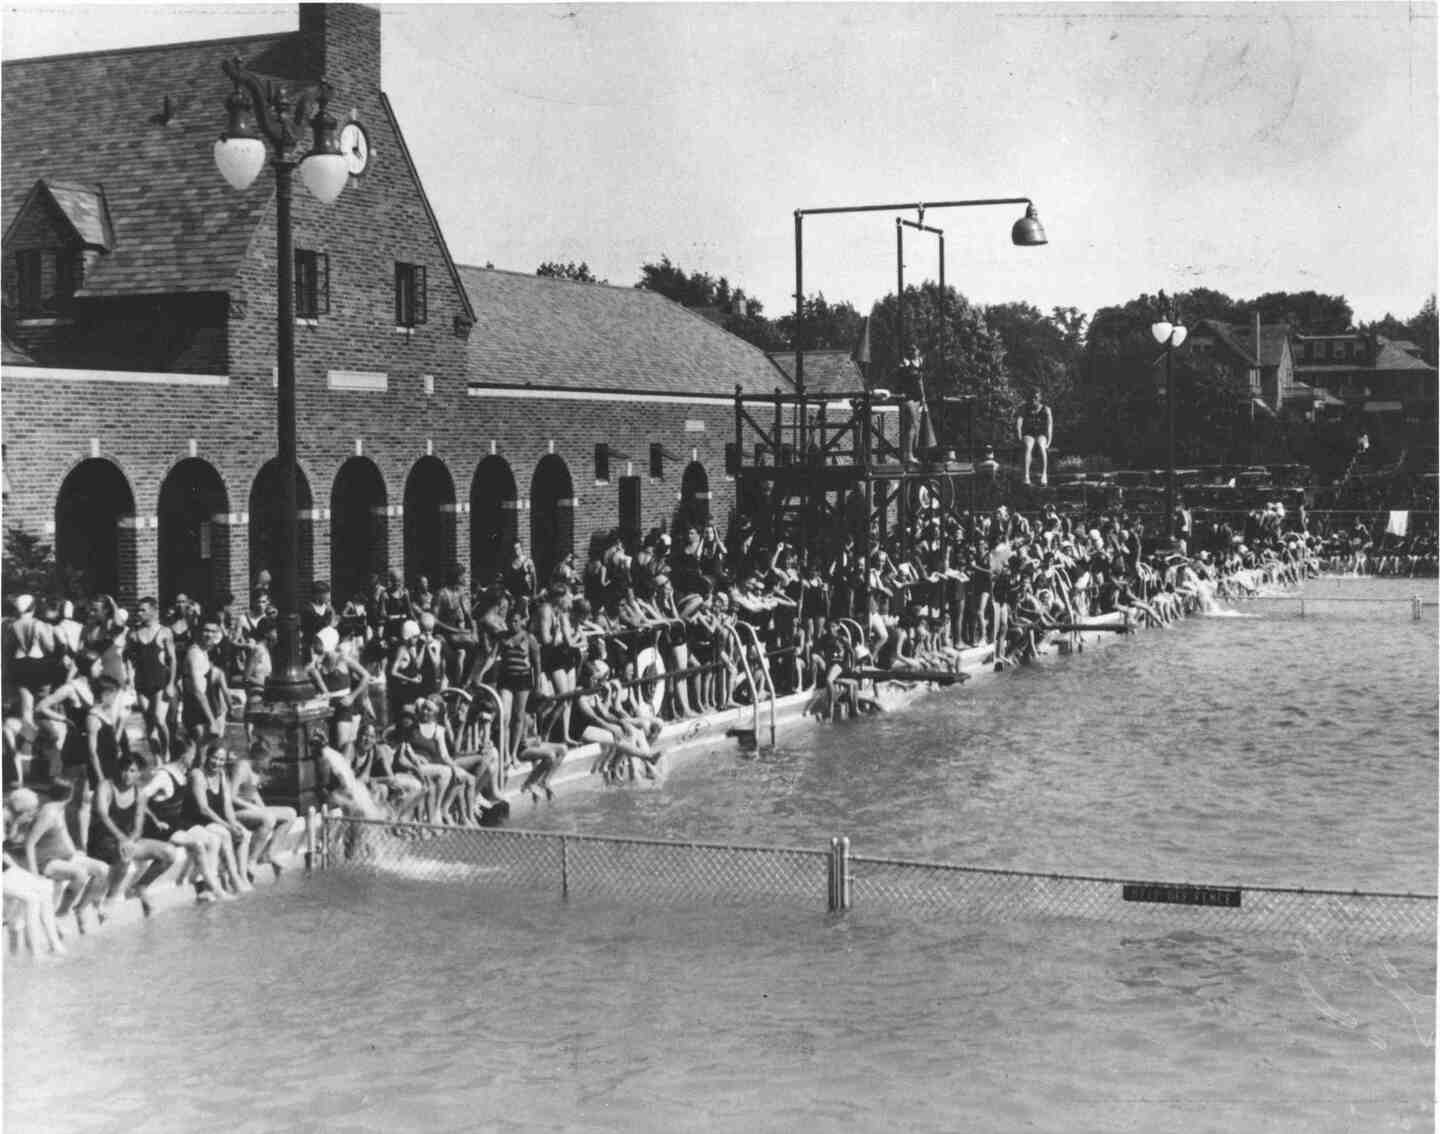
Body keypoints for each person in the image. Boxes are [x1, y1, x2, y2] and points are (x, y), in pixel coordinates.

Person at [87, 753, 178, 916]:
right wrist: (123, 839)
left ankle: (141, 886)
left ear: (139, 773)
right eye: (124, 770)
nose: (127, 774)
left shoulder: (140, 793)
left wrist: (129, 840)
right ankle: (110, 897)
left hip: (125, 842)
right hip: (101, 841)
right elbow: (103, 815)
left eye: (132, 771)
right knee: (125, 855)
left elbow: (138, 827)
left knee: (170, 853)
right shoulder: (106, 786)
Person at [6, 787, 108, 932]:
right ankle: (60, 915)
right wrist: (34, 875)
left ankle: (81, 908)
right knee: (80, 874)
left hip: (62, 855)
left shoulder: (59, 810)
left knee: (103, 869)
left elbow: (64, 833)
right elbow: (28, 843)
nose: (35, 811)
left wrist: (75, 853)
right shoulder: (46, 813)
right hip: (45, 859)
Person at [228, 741, 301, 878]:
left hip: (251, 811)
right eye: (267, 760)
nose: (269, 763)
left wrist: (263, 808)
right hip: (236, 812)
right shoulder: (242, 767)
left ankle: (269, 853)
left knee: (291, 814)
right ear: (258, 757)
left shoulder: (258, 770)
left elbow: (253, 792)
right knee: (269, 818)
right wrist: (254, 808)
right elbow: (231, 796)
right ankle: (251, 861)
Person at [125, 596, 177, 757]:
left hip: (159, 681)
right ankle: (157, 759)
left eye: (143, 610)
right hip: (142, 682)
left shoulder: (164, 632)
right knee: (149, 724)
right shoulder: (134, 634)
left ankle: (166, 751)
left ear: (153, 612)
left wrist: (171, 684)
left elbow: (173, 659)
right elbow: (128, 658)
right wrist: (130, 680)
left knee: (159, 719)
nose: (139, 613)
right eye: (138, 610)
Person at [1017, 389, 1053, 487]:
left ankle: (1044, 475)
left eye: (1036, 398)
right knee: (1028, 446)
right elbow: (1019, 423)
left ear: (1040, 398)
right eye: (1031, 398)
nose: (1033, 400)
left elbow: (1049, 426)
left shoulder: (1046, 409)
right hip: (1029, 434)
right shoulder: (1024, 408)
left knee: (1041, 445)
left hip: (1041, 434)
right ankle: (1026, 476)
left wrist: (1049, 442)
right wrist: (1019, 437)